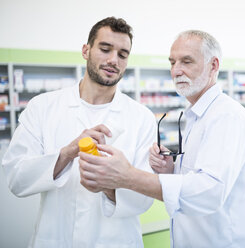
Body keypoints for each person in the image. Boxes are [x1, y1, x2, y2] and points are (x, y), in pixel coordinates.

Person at [79, 30, 245, 247]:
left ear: (213, 66)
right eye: (172, 62)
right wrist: (172, 169)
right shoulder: (196, 115)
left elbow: (209, 191)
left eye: (186, 61)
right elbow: (199, 176)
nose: (176, 71)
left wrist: (127, 176)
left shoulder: (226, 117)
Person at [2, 17, 156, 247]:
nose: (113, 60)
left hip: (115, 241)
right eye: (105, 49)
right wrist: (66, 154)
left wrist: (109, 184)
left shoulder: (141, 117)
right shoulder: (43, 107)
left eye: (123, 54)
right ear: (86, 50)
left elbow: (145, 198)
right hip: (55, 239)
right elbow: (16, 178)